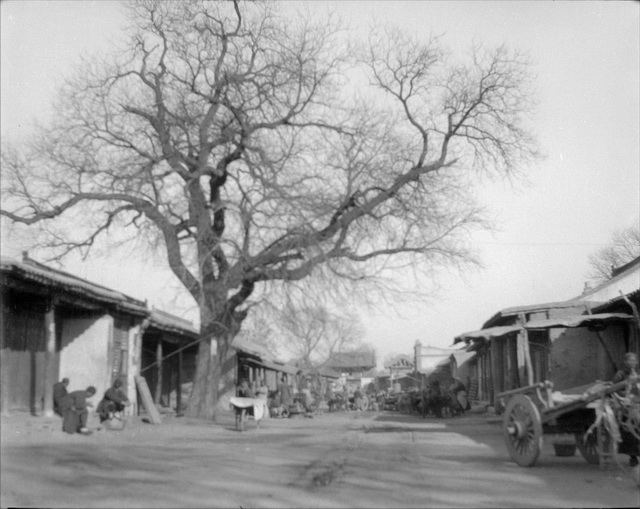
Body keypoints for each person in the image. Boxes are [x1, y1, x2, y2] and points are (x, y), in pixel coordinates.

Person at [612, 352, 640, 467]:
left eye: (634, 360)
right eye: (630, 360)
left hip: (637, 403)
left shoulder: (637, 374)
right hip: (626, 406)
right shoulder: (620, 374)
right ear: (625, 362)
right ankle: (633, 456)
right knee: (630, 431)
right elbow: (613, 389)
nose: (632, 362)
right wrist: (625, 394)